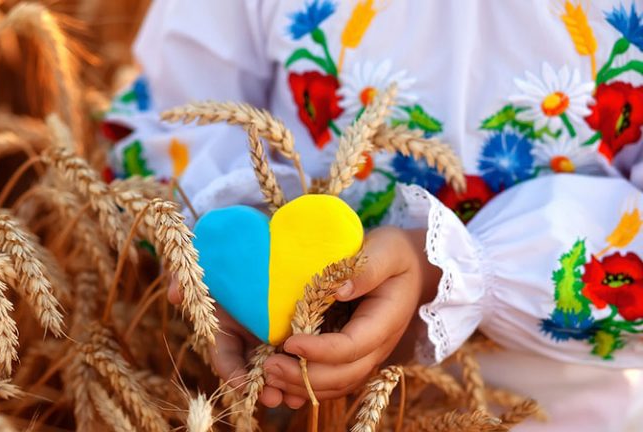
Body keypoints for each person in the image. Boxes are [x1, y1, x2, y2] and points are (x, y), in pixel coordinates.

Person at [101, 1, 643, 430]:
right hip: (277, 401)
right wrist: (230, 255)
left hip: (551, 411)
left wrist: (443, 272)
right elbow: (170, 113)